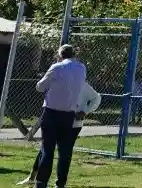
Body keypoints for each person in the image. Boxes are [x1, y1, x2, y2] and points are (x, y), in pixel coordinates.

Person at [20, 79, 101, 186]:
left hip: (73, 125)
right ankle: (33, 177)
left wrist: (85, 111)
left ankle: (60, 184)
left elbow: (97, 97)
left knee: (64, 153)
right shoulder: (56, 82)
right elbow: (41, 88)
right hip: (55, 121)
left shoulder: (82, 85)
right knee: (46, 149)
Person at [33, 44, 87, 188]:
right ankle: (60, 183)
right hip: (69, 114)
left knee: (47, 149)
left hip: (51, 113)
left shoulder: (56, 67)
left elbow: (40, 87)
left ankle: (41, 182)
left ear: (60, 54)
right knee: (65, 151)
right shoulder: (81, 68)